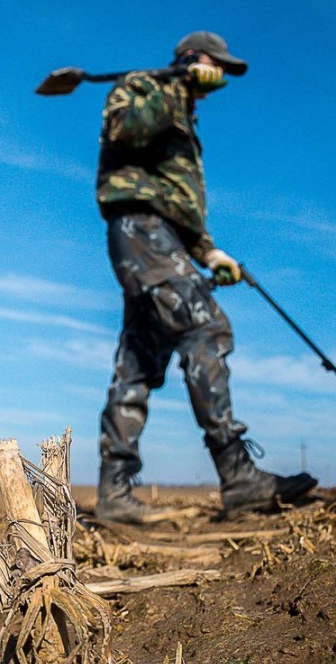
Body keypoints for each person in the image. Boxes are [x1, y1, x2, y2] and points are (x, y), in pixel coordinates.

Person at [95, 30, 317, 523]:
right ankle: (238, 476)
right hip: (140, 231)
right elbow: (123, 132)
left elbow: (178, 202)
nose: (218, 79)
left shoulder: (183, 116)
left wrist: (210, 251)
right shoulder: (144, 88)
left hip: (160, 237)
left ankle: (114, 493)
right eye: (216, 66)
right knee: (205, 327)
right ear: (195, 60)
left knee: (138, 362)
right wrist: (176, 86)